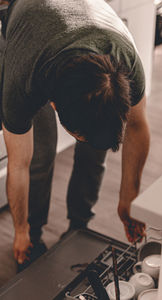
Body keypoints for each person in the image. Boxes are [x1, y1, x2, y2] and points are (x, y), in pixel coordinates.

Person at [0, 0, 150, 271]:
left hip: (83, 25)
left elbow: (137, 127)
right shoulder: (23, 80)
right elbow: (18, 163)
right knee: (40, 156)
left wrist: (129, 198)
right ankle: (33, 234)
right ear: (54, 103)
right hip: (30, 28)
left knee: (95, 151)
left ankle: (79, 226)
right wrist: (19, 230)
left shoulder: (125, 62)